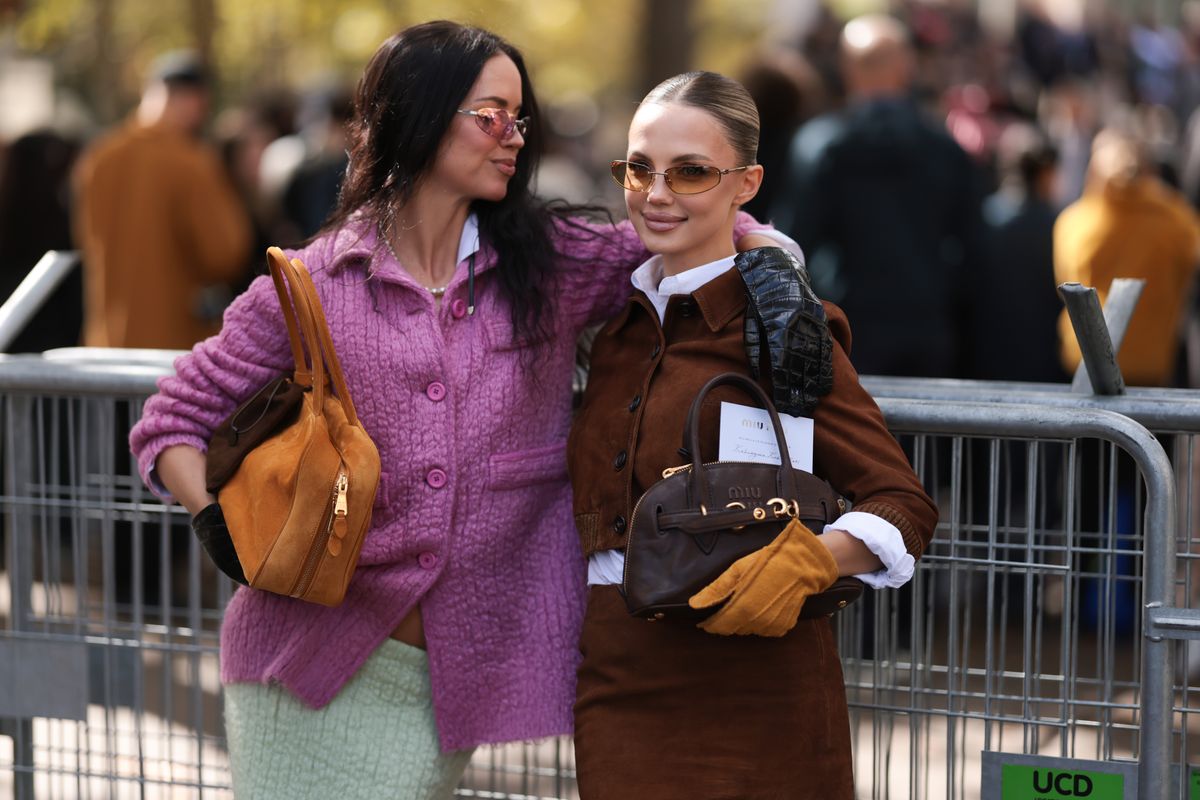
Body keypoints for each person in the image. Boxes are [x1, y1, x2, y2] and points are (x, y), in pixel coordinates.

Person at [128, 22, 788, 799]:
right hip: (306, 663)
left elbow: (696, 229)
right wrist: (218, 526)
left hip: (460, 675)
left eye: (519, 117)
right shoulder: (313, 284)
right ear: (419, 115)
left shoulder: (551, 267)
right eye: (489, 115)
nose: (512, 136)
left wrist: (772, 262)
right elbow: (170, 417)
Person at [568, 70, 938, 798]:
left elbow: (902, 502)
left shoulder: (782, 326)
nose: (658, 192)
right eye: (639, 169)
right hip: (618, 683)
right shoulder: (612, 331)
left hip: (762, 686)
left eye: (692, 171)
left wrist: (810, 561)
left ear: (747, 183)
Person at [773, 14, 982, 378]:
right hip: (927, 326)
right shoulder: (945, 149)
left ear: (847, 68)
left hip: (846, 330)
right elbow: (975, 248)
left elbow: (793, 243)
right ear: (908, 67)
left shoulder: (821, 146)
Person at [73, 51, 252, 349]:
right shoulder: (192, 162)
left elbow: (86, 240)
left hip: (104, 345)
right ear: (196, 100)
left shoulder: (98, 157)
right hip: (172, 346)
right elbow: (225, 253)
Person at [1055, 126, 1200, 387]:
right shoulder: (1177, 219)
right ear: (1147, 170)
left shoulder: (1074, 222)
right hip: (1154, 361)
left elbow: (1064, 283)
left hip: (1086, 363)